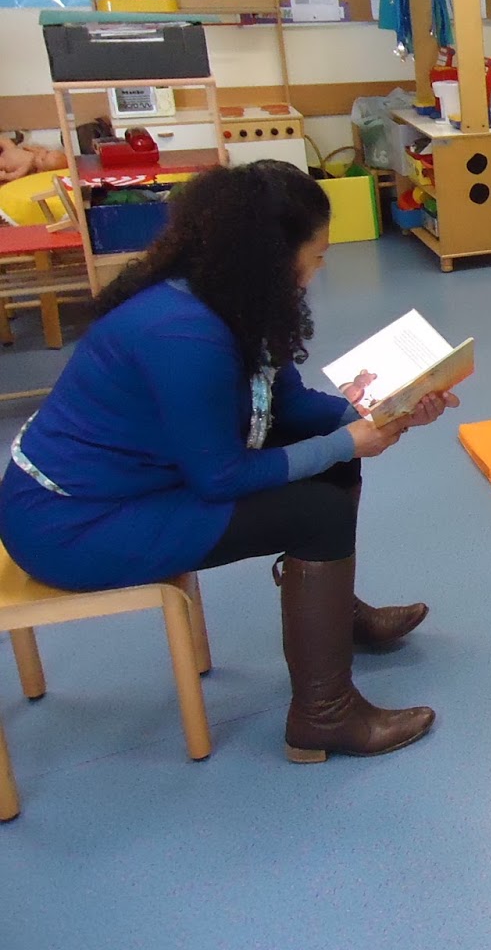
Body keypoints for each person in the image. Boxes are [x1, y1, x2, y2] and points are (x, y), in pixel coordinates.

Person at [0, 162, 454, 762]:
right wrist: (352, 441)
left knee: (328, 464)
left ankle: (333, 615)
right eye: (316, 255)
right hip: (70, 524)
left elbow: (289, 406)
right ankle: (324, 715)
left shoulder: (230, 298)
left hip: (131, 484)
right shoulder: (182, 332)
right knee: (318, 511)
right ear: (272, 258)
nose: (320, 269)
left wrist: (387, 410)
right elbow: (221, 478)